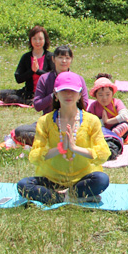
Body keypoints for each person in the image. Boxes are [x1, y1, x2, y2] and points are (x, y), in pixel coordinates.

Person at [17, 72, 110, 204]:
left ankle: (66, 195)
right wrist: (60, 149)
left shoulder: (92, 120)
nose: (68, 95)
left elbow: (103, 154)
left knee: (102, 179)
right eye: (64, 91)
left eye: (72, 91)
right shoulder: (45, 121)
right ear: (56, 94)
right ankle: (69, 197)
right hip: (51, 179)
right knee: (23, 185)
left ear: (79, 95)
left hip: (82, 178)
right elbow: (35, 156)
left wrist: (74, 148)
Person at [0, 25, 54, 105]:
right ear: (30, 40)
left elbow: (54, 77)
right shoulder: (26, 57)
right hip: (28, 92)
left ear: (45, 40)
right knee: (1, 94)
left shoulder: (51, 57)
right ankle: (30, 102)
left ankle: (35, 101)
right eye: (34, 39)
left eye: (40, 39)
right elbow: (18, 78)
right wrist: (31, 71)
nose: (37, 42)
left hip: (45, 93)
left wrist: (38, 71)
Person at [33, 45, 89, 115]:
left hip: (74, 118)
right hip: (50, 119)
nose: (64, 61)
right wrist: (55, 95)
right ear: (53, 59)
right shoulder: (44, 79)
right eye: (60, 57)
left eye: (67, 58)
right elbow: (37, 105)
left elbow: (85, 104)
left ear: (71, 60)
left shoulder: (78, 79)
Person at [86, 74, 128, 141]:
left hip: (118, 129)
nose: (104, 98)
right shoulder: (93, 106)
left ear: (112, 94)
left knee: (125, 125)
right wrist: (102, 122)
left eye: (107, 94)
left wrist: (108, 121)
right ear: (95, 96)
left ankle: (114, 137)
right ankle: (109, 137)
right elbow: (88, 121)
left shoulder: (117, 102)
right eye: (100, 95)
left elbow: (124, 116)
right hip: (102, 131)